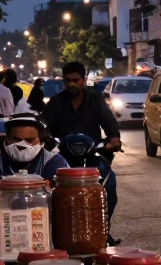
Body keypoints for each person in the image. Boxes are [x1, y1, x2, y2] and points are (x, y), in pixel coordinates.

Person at [42, 60, 121, 223]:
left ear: (83, 80)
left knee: (109, 186)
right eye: (67, 80)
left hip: (92, 156)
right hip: (61, 157)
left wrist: (114, 138)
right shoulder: (56, 102)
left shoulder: (96, 100)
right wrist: (46, 139)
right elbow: (43, 127)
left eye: (75, 80)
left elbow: (110, 124)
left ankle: (103, 228)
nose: (71, 84)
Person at [0, 114, 68, 183]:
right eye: (16, 139)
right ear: (6, 139)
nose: (22, 145)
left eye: (29, 140)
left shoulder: (54, 161)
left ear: (41, 141)